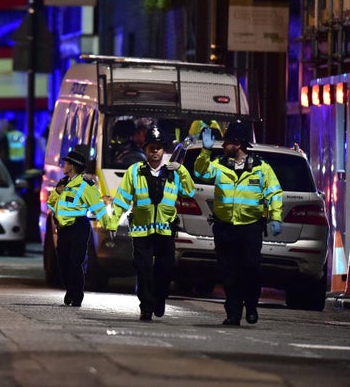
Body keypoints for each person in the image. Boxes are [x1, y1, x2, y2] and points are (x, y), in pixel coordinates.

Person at [196, 121, 283, 326]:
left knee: (251, 269)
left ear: (237, 143)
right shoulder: (219, 164)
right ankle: (233, 313)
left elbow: (274, 193)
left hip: (250, 228)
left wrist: (275, 217)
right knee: (229, 272)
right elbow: (201, 172)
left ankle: (251, 305)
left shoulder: (261, 167)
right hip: (225, 227)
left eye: (226, 141)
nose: (223, 145)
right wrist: (205, 151)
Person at [107, 126, 196, 321]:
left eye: (158, 147)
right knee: (144, 270)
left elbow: (189, 192)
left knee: (165, 270)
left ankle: (160, 297)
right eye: (151, 147)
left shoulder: (173, 172)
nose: (155, 151)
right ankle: (146, 307)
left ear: (164, 150)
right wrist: (113, 222)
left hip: (165, 231)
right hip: (141, 231)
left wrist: (182, 170)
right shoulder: (135, 171)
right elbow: (122, 199)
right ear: (145, 149)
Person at [47, 146, 117, 308]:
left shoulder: (86, 186)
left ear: (71, 166)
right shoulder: (62, 183)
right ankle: (70, 290)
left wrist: (109, 224)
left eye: (66, 163)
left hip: (79, 227)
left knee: (75, 262)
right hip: (63, 229)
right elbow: (51, 204)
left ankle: (76, 295)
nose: (64, 166)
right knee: (63, 264)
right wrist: (57, 192)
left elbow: (98, 207)